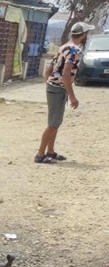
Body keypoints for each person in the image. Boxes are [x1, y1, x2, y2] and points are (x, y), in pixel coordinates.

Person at [35, 21, 95, 164]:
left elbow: (49, 70)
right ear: (84, 35)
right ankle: (40, 154)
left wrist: (50, 83)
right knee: (53, 123)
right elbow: (66, 75)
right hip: (58, 89)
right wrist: (73, 97)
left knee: (55, 122)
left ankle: (50, 151)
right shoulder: (74, 51)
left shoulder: (64, 47)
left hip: (54, 88)